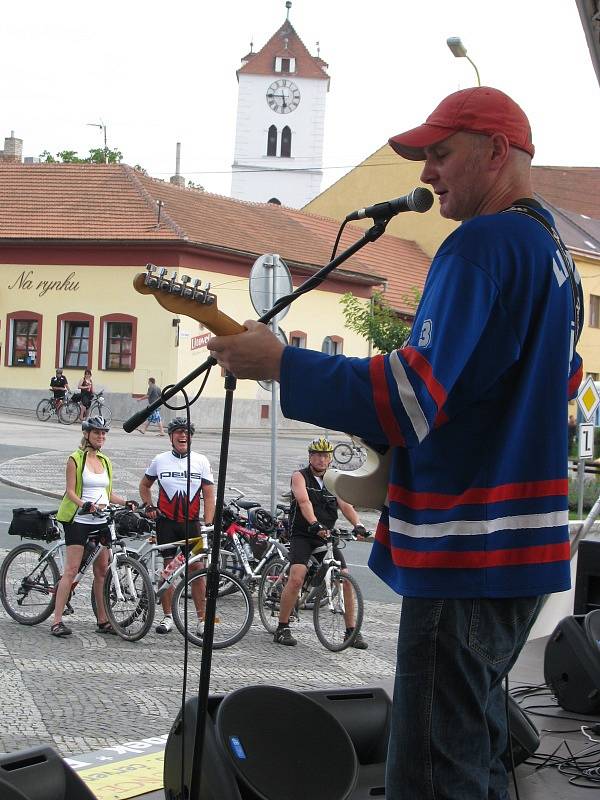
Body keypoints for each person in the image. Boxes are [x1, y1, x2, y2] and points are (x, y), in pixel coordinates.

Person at [207, 86, 584, 800]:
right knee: (476, 751)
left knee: (437, 776)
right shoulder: (553, 256)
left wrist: (282, 363)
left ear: (498, 151)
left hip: (466, 548)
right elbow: (557, 382)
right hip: (524, 551)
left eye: (441, 154)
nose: (426, 174)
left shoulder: (483, 243)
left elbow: (410, 400)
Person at [274, 436, 369, 649]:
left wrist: (359, 525)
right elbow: (304, 501)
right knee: (297, 578)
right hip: (303, 534)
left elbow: (345, 505)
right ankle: (282, 627)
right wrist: (315, 523)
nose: (321, 459)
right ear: (310, 457)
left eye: (325, 455)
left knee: (344, 576)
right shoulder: (300, 476)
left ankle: (351, 631)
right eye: (317, 455)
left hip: (326, 535)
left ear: (330, 459)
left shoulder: (334, 479)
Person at [52, 416, 133, 637]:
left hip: (101, 521)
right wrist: (85, 504)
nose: (101, 437)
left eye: (104, 433)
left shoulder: (105, 461)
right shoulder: (75, 459)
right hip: (79, 521)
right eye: (97, 433)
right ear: (87, 434)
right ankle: (57, 621)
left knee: (101, 572)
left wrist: (127, 502)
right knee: (71, 570)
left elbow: (107, 494)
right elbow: (70, 491)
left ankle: (103, 620)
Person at [139, 416, 215, 634]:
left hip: (192, 525)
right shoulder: (160, 460)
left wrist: (208, 524)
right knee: (169, 570)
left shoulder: (201, 461)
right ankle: (167, 617)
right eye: (179, 432)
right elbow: (144, 485)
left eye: (187, 432)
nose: (183, 435)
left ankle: (202, 619)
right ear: (171, 437)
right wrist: (148, 505)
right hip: (166, 524)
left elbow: (209, 496)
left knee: (197, 570)